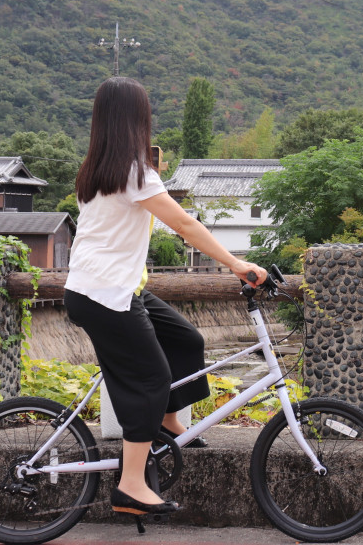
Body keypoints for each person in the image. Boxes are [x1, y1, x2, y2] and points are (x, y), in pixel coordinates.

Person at [63, 76, 267, 521]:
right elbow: (186, 226)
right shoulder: (135, 171)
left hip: (113, 288)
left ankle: (171, 425)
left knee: (186, 341)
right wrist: (238, 264)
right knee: (150, 380)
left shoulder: (97, 169)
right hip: (104, 294)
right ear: (138, 120)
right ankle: (130, 486)